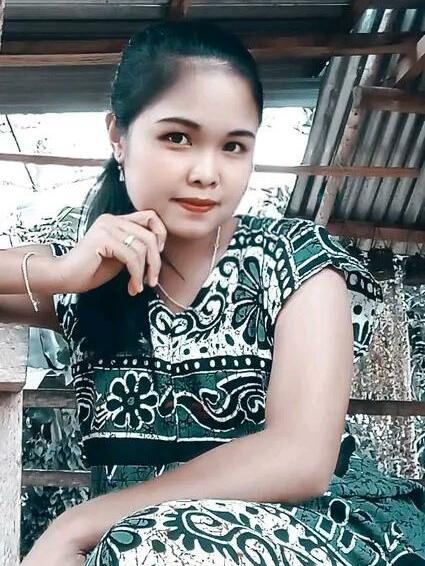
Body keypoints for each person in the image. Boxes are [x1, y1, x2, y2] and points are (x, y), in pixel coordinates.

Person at [1, 19, 423, 566]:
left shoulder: (296, 260)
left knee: (149, 543)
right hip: (137, 545)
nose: (207, 172)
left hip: (323, 532)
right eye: (178, 137)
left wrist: (78, 523)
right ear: (118, 137)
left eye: (233, 146)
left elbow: (300, 457)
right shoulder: (90, 267)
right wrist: (63, 273)